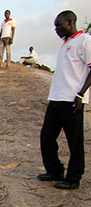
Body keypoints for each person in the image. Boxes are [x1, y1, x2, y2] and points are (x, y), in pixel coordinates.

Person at [38, 10, 91, 189]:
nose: (56, 30)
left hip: (72, 100)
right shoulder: (66, 43)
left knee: (74, 141)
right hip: (56, 98)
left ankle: (74, 178)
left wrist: (80, 94)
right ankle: (55, 170)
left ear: (70, 22)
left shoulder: (85, 40)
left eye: (59, 26)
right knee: (46, 136)